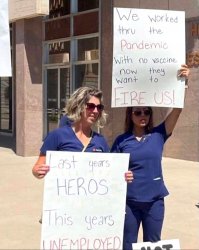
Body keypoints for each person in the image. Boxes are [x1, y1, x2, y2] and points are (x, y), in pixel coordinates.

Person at [111, 65, 190, 249]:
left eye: (146, 111)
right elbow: (111, 172)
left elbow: (177, 110)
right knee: (127, 245)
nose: (142, 115)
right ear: (130, 115)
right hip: (129, 203)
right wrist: (121, 175)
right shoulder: (121, 141)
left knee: (152, 243)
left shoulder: (159, 135)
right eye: (138, 112)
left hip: (154, 202)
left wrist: (183, 84)